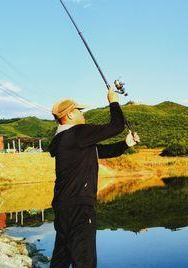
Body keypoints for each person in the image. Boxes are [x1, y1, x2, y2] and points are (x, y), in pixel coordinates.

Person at [48, 87, 140, 267]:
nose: (83, 114)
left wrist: (125, 144)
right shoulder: (77, 133)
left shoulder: (66, 140)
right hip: (80, 207)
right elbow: (116, 126)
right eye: (79, 111)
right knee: (84, 259)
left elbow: (101, 151)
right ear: (69, 115)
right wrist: (113, 101)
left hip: (63, 206)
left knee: (62, 256)